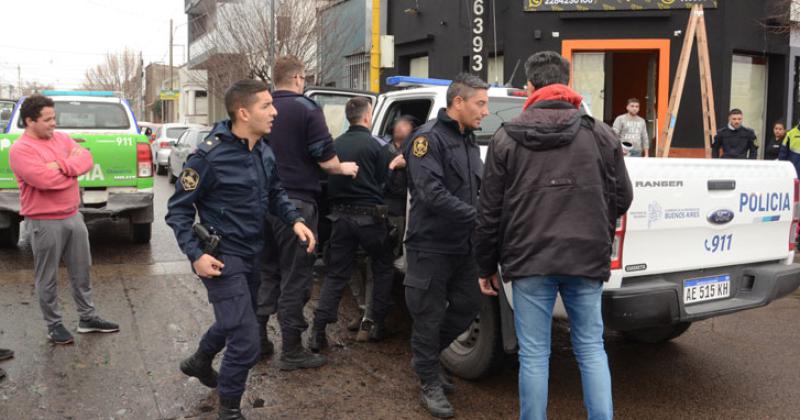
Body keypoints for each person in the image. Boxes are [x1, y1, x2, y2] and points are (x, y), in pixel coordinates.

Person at [474, 51, 632, 420]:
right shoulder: (601, 133)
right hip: (585, 258)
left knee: (534, 354)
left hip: (529, 259)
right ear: (567, 82)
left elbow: (489, 210)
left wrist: (485, 264)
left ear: (530, 86)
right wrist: (596, 226)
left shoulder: (505, 136)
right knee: (591, 348)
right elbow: (623, 196)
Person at [166, 79, 315, 420]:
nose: (275, 111)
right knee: (246, 340)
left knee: (236, 320)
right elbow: (178, 210)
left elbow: (276, 191)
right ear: (244, 113)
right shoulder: (209, 156)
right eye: (267, 106)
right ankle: (229, 410)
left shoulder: (263, 149)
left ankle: (199, 360)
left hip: (254, 254)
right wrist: (195, 255)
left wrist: (294, 220)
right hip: (221, 257)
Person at [256, 55, 359, 370]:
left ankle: (258, 341)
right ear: (299, 78)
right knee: (296, 276)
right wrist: (346, 167)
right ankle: (291, 350)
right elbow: (326, 160)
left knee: (268, 272)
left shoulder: (261, 108)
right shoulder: (307, 109)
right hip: (297, 206)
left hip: (262, 204)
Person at [403, 74, 489, 418]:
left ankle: (423, 360)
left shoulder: (469, 140)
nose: (485, 111)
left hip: (464, 245)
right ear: (458, 103)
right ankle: (429, 381)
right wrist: (479, 217)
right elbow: (431, 194)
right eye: (480, 103)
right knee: (428, 316)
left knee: (468, 306)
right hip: (431, 247)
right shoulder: (427, 139)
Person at [8, 94, 119, 345]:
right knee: (47, 277)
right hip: (43, 222)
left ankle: (87, 318)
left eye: (54, 118)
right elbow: (44, 182)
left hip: (73, 215)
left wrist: (59, 166)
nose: (53, 123)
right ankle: (54, 325)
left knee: (82, 270)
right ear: (30, 121)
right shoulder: (21, 150)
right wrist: (71, 168)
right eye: (47, 119)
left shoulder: (62, 138)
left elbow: (87, 159)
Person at [308, 97, 403, 351]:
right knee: (382, 268)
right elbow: (386, 183)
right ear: (367, 116)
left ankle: (317, 331)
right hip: (371, 219)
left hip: (340, 219)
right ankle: (374, 324)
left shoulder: (335, 145)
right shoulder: (377, 147)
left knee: (336, 274)